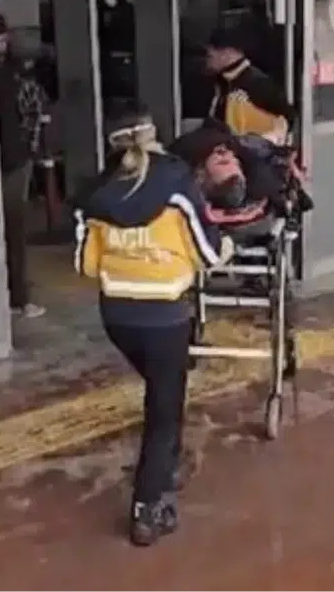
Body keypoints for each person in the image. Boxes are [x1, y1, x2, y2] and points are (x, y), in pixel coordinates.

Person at [72, 105, 232, 547]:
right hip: (165, 316)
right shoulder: (177, 185)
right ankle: (148, 507)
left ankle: (168, 464)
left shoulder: (95, 195)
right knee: (163, 410)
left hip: (118, 318)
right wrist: (226, 247)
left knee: (163, 391)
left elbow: (86, 264)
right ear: (154, 136)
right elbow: (206, 253)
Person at [0, 14, 49, 319]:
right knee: (10, 229)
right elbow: (35, 117)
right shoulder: (12, 76)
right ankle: (17, 297)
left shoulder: (3, 76)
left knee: (5, 229)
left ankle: (13, 296)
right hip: (8, 160)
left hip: (4, 160)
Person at [205, 27, 293, 138]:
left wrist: (262, 142)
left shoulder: (258, 83)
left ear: (228, 52)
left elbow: (287, 120)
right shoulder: (221, 82)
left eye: (210, 56)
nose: (207, 62)